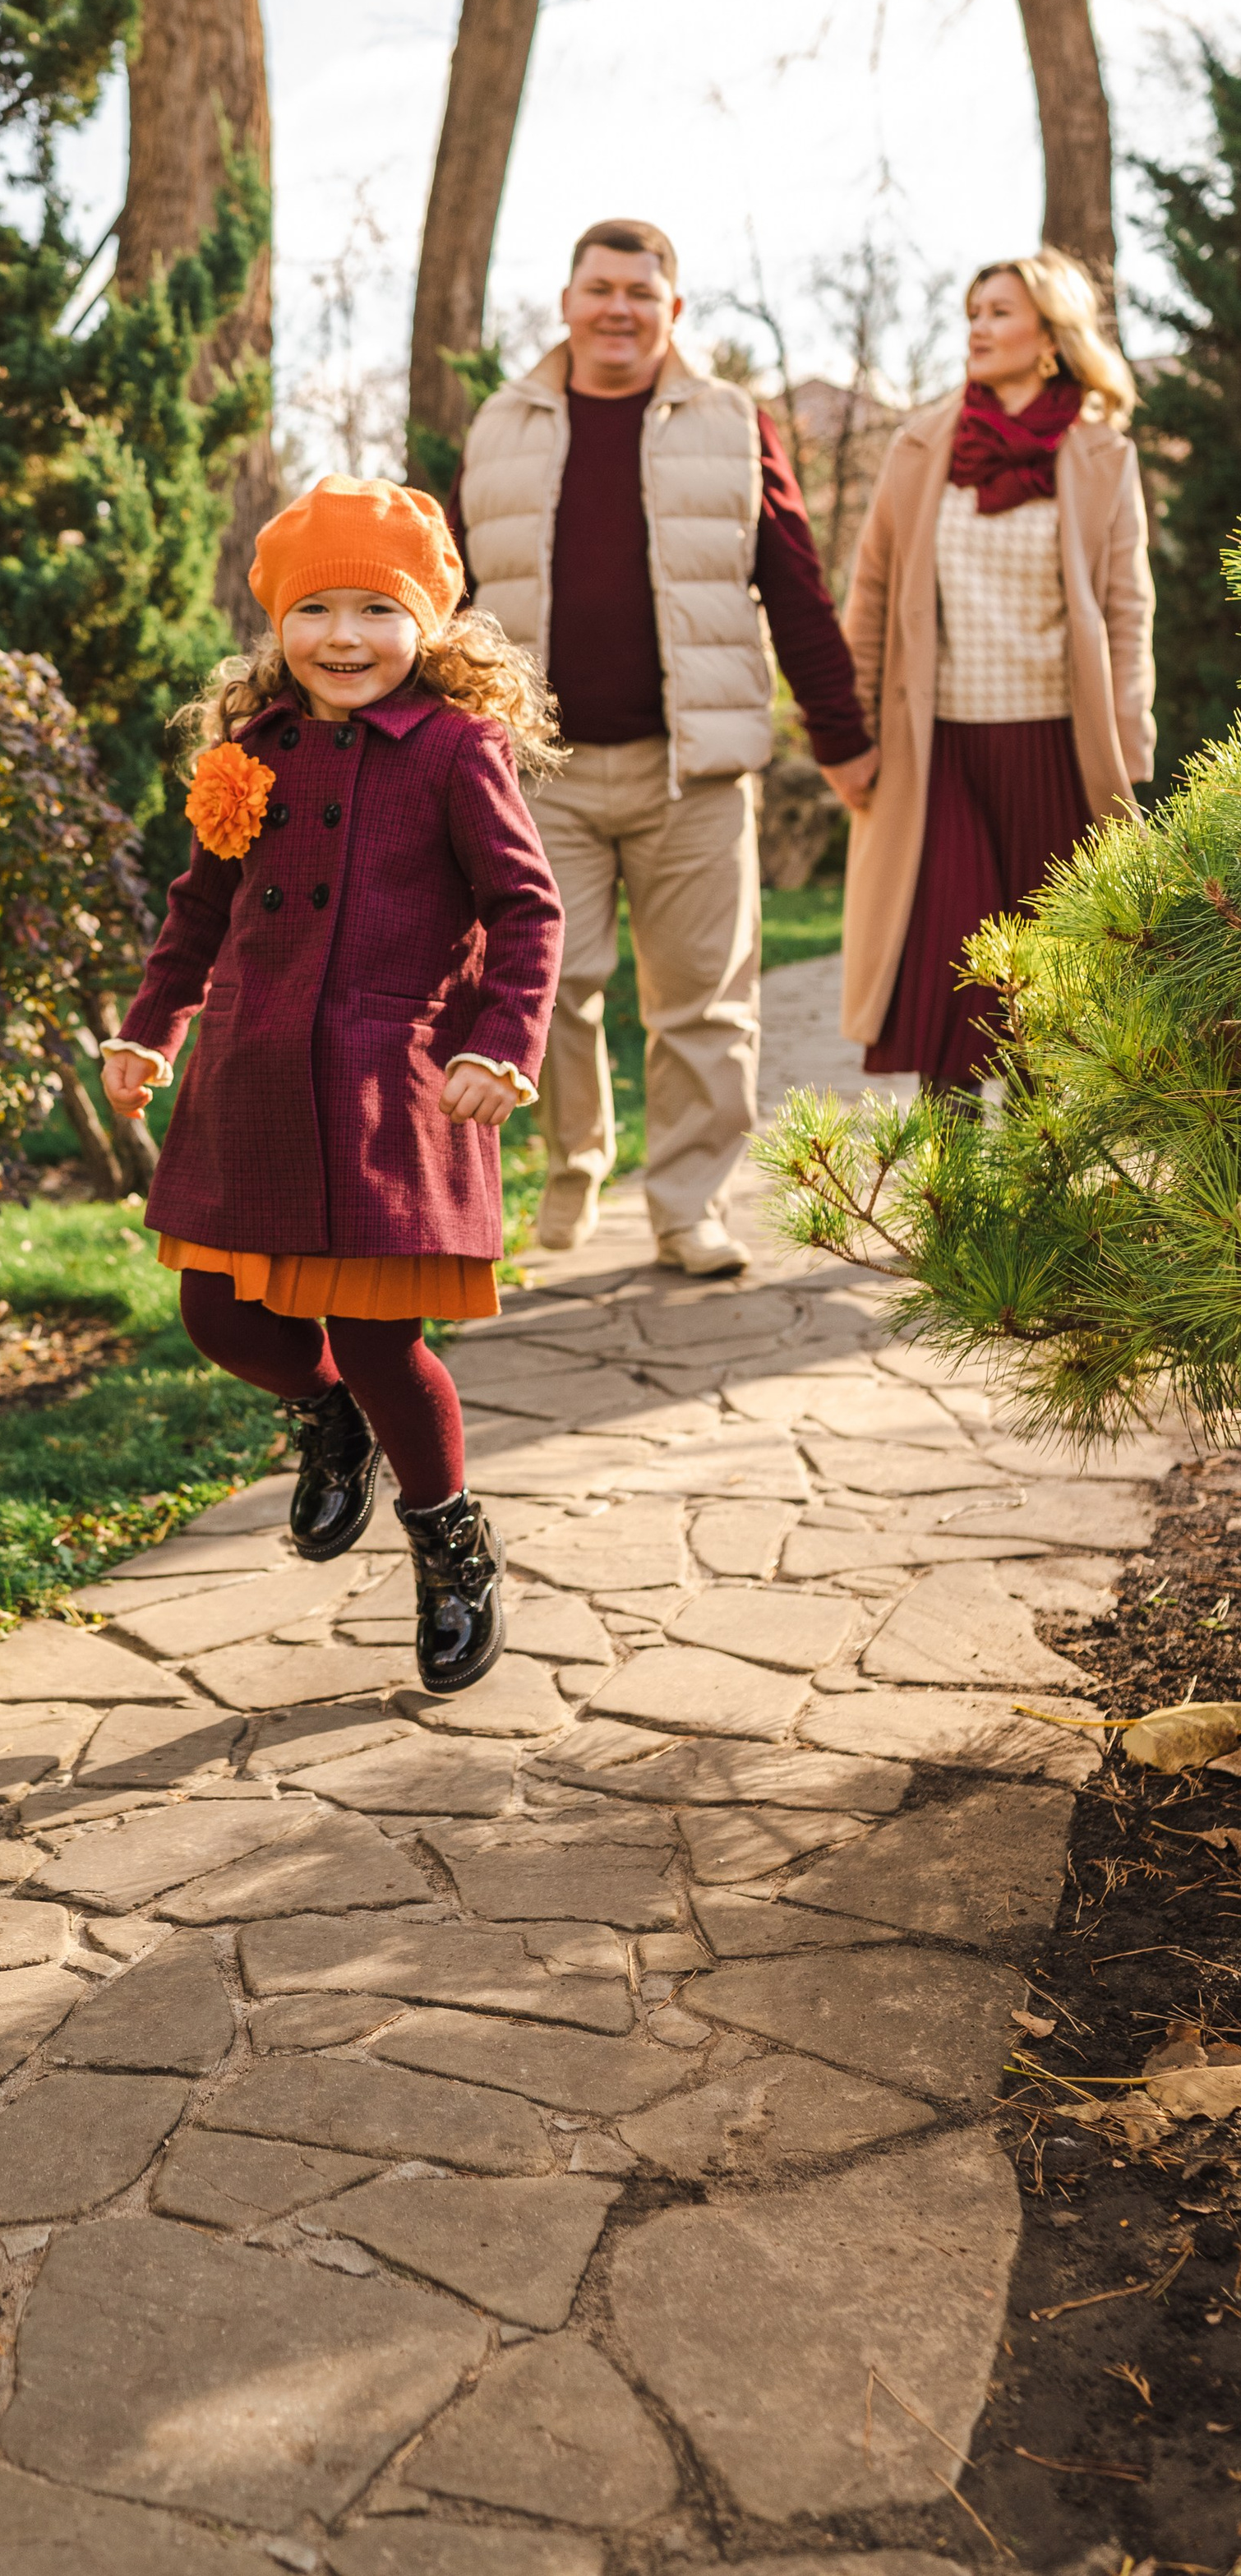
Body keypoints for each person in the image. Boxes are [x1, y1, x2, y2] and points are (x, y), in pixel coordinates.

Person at [99, 474, 563, 1697]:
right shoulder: (248, 755)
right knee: (223, 1316)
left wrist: (502, 1039)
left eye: (376, 608)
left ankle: (451, 1540)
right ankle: (328, 1417)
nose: (344, 637)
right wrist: (154, 1025)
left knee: (375, 1333)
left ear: (430, 626)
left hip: (387, 1083)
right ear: (276, 623)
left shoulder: (460, 753)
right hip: (251, 1073)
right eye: (315, 610)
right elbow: (197, 912)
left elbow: (527, 908)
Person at [452, 219, 878, 1276]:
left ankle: (689, 1204)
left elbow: (794, 583)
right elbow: (451, 597)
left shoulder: (732, 422)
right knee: (551, 987)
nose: (618, 309)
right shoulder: (499, 425)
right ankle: (574, 1161)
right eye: (599, 288)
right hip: (535, 772)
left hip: (691, 766)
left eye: (641, 292)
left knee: (703, 1001)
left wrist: (842, 736)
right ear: (565, 301)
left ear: (672, 310)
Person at [841, 249, 1154, 1086]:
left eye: (999, 312)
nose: (977, 327)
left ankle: (1038, 1193)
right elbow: (867, 594)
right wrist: (848, 735)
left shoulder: (1099, 457)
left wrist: (1132, 740)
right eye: (972, 312)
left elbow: (1127, 609)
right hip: (936, 752)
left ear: (1050, 336)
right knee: (950, 975)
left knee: (1050, 991)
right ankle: (951, 1199)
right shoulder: (920, 445)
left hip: (1059, 750)